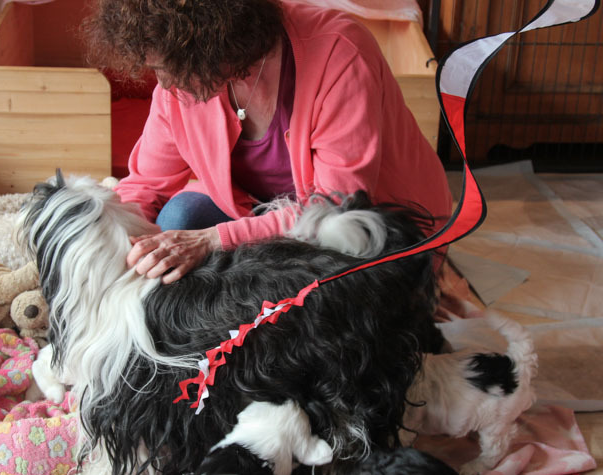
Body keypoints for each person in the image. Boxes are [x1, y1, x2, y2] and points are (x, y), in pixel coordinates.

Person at [84, 0, 453, 283]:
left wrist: (212, 241)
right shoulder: (179, 86)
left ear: (211, 41)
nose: (164, 84)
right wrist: (103, 243)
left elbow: (337, 207)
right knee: (179, 218)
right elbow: (146, 185)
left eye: (166, 67)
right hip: (272, 215)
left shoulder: (339, 51)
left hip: (367, 226)